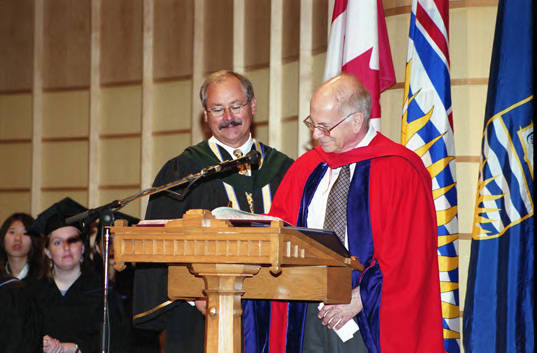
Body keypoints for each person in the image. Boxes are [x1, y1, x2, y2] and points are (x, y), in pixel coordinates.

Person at [268, 73, 444, 352]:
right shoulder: (305, 169)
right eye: (312, 124)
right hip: (304, 313)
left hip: (368, 314)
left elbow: (412, 253)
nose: (315, 134)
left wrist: (361, 297)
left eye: (325, 127)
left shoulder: (399, 169)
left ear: (356, 122)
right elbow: (278, 231)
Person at [133, 70, 294, 353]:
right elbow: (161, 243)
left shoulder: (284, 170)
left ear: (252, 106)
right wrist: (195, 294)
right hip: (201, 311)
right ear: (205, 116)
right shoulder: (184, 171)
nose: (228, 117)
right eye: (217, 109)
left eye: (236, 106)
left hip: (274, 309)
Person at [28, 197, 131, 353]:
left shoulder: (102, 292)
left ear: (83, 248)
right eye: (57, 242)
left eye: (73, 241)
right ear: (47, 251)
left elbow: (118, 342)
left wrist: (75, 348)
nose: (66, 248)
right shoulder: (31, 292)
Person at [0, 212, 44, 282]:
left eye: (25, 233)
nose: (17, 238)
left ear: (34, 239)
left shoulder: (43, 278)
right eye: (12, 232)